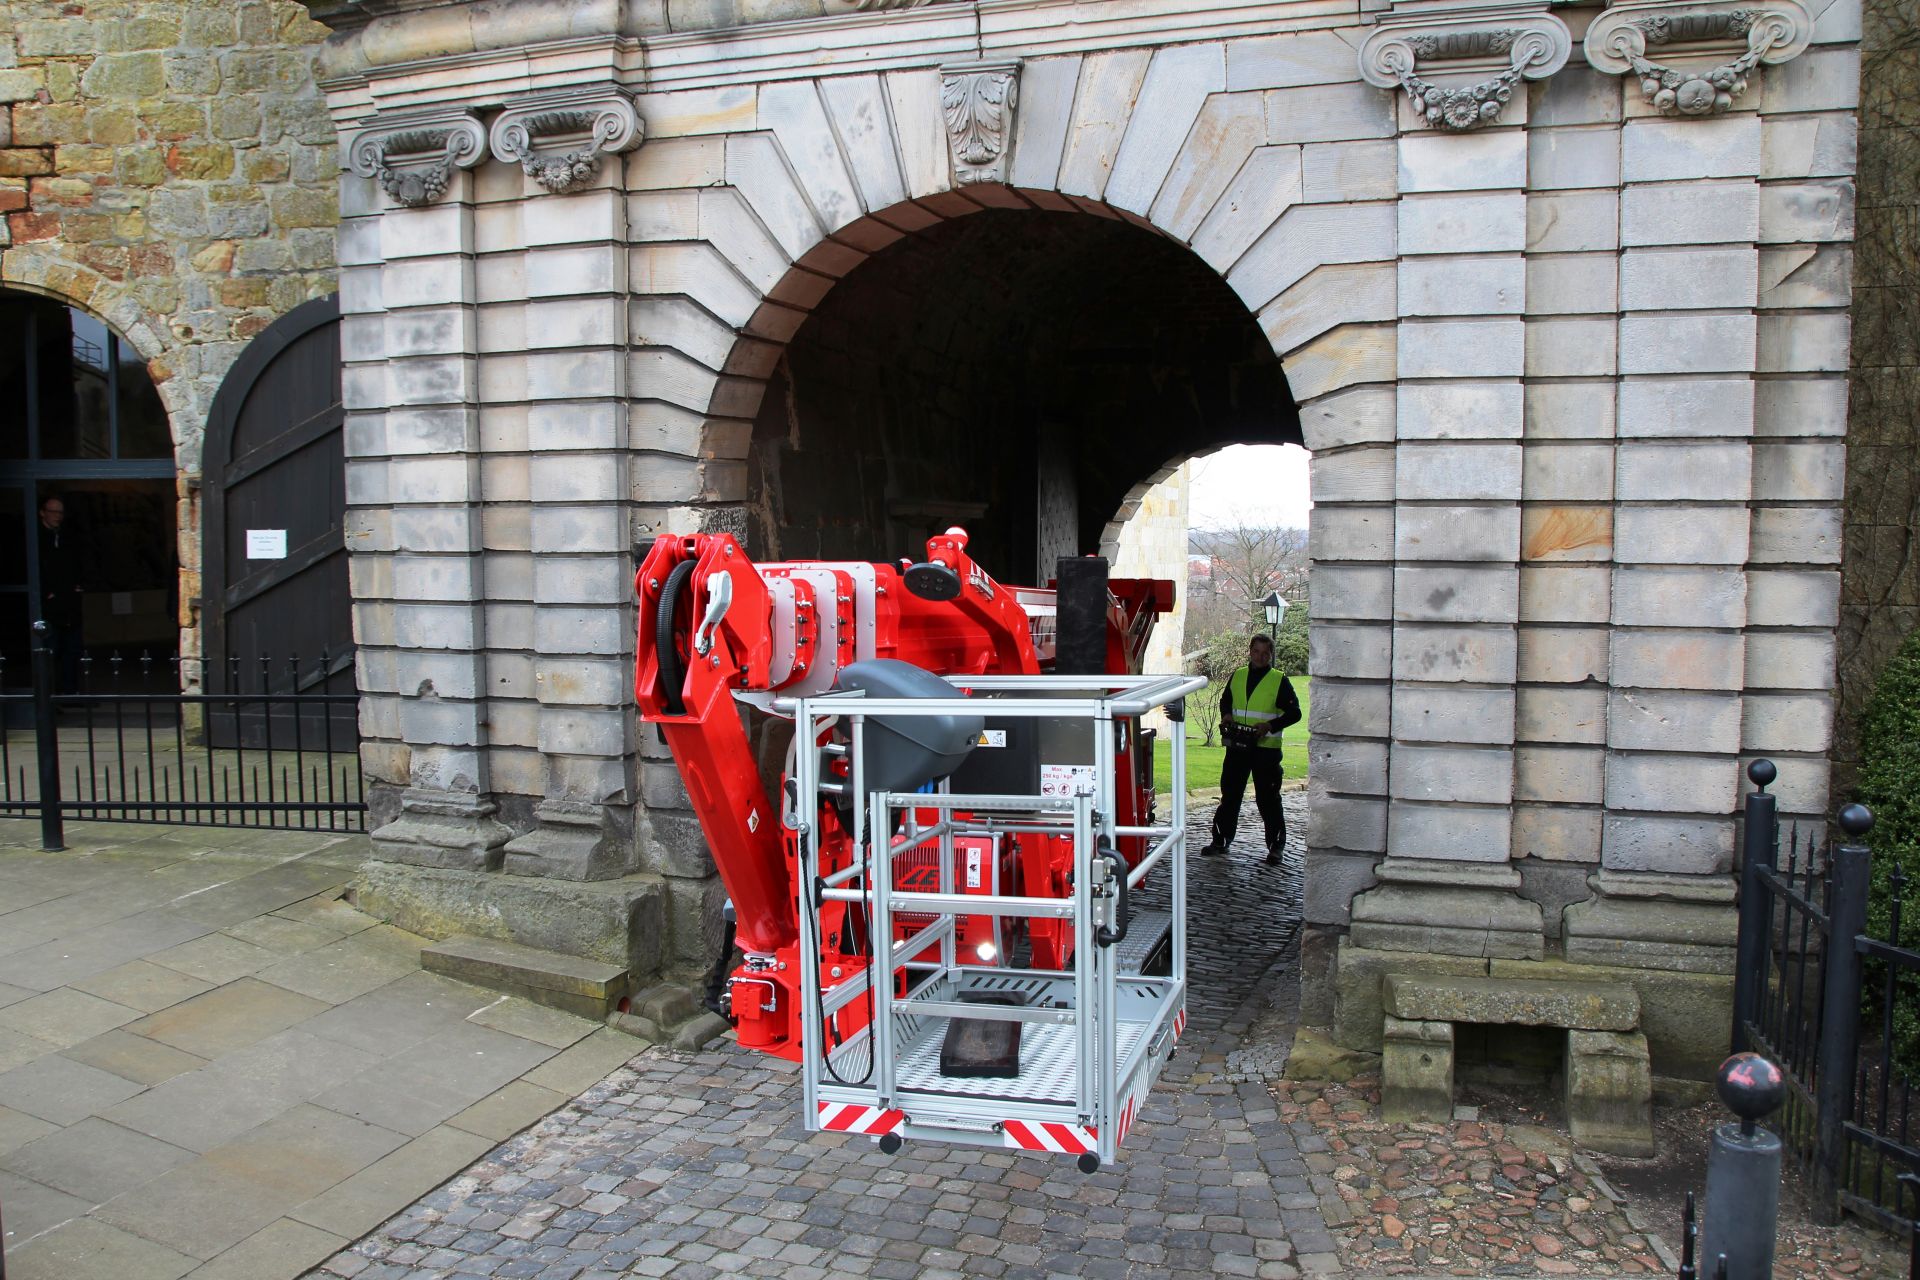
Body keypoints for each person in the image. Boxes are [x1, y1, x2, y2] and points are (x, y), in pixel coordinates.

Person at [1200, 633, 1301, 865]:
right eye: (1256, 651)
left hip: (1266, 750)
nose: (1260, 657)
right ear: (1250, 651)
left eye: (1265, 653)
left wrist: (1270, 725)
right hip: (1238, 746)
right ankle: (1220, 840)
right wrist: (1226, 715)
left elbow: (1295, 713)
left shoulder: (1279, 680)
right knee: (1230, 795)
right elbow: (1225, 700)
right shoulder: (1238, 675)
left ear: (1271, 655)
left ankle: (1276, 847)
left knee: (1268, 800)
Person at [36, 494, 83, 693]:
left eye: (60, 512)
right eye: (53, 511)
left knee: (72, 650)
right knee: (49, 651)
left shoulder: (67, 537)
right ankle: (49, 695)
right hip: (48, 606)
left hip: (69, 603)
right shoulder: (36, 537)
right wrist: (47, 593)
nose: (57, 516)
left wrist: (78, 586)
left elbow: (79, 562)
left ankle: (70, 691)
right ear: (42, 513)